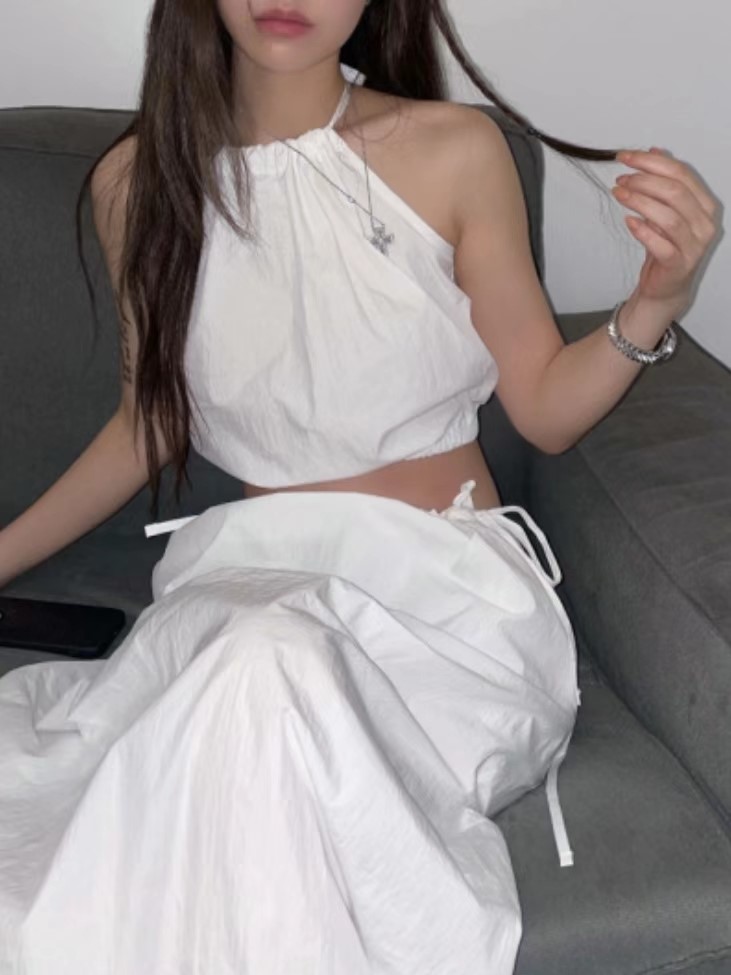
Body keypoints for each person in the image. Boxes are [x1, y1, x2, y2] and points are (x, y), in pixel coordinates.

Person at [0, 1, 719, 972]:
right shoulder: (136, 184)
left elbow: (545, 410)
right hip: (246, 584)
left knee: (264, 678)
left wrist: (655, 301)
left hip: (445, 598)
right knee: (246, 675)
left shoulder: (454, 151)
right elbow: (150, 423)